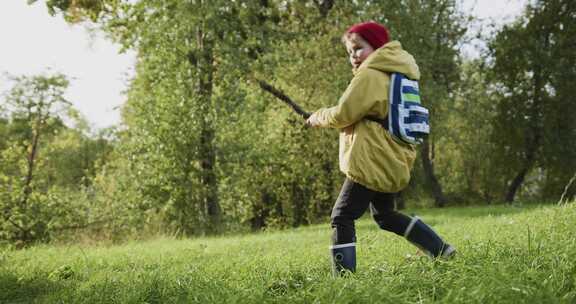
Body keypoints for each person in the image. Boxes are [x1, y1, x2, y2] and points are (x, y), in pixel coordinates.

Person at [305, 21, 455, 276]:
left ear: (376, 46)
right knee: (385, 215)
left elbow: (344, 113)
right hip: (390, 156)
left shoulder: (370, 74)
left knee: (342, 216)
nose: (353, 55)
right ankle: (441, 250)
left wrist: (317, 117)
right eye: (350, 51)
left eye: (358, 48)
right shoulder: (396, 72)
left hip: (371, 158)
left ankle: (344, 279)